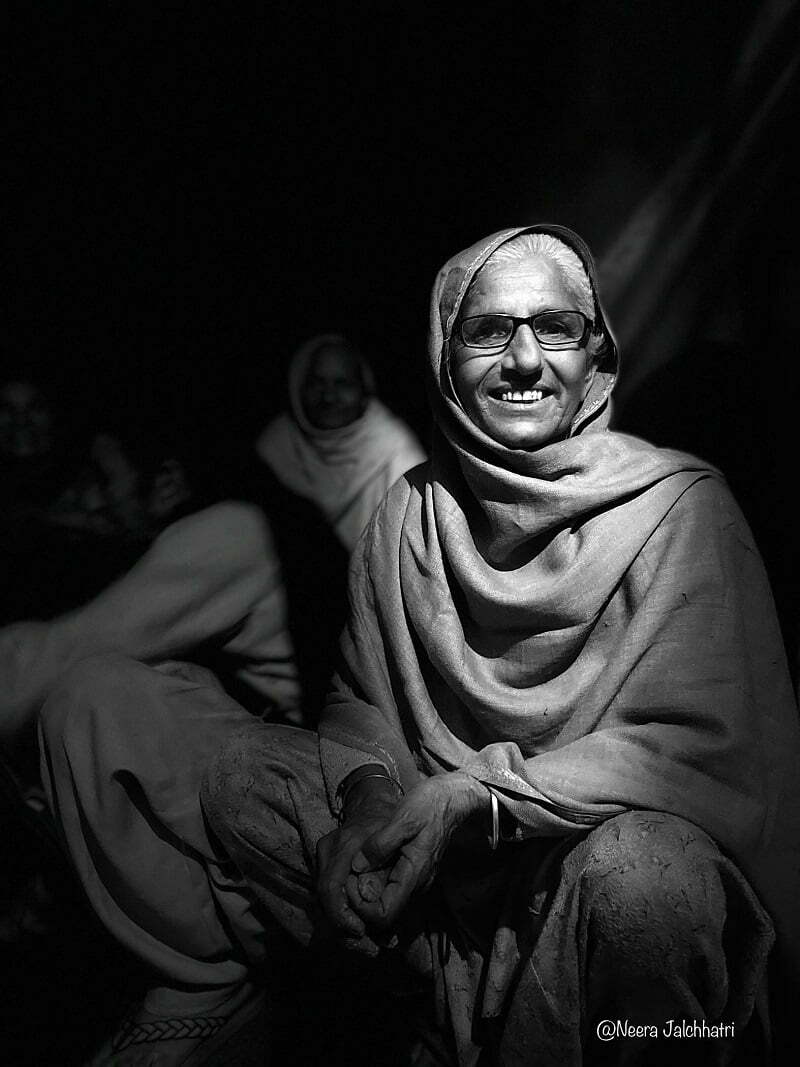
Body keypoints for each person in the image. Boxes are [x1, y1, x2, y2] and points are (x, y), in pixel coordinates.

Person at [37, 225, 800, 1066]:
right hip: (428, 878)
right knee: (206, 754)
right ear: (446, 357)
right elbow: (360, 702)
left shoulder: (680, 510)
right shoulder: (410, 511)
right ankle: (387, 999)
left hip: (576, 890)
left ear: (597, 358)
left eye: (555, 327)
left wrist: (473, 797)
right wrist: (367, 799)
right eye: (486, 330)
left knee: (651, 880)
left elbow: (699, 751)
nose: (522, 360)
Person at [255, 334, 426, 552]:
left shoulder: (398, 455)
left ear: (364, 391)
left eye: (342, 384)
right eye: (317, 383)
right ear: (298, 388)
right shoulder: (275, 446)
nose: (328, 396)